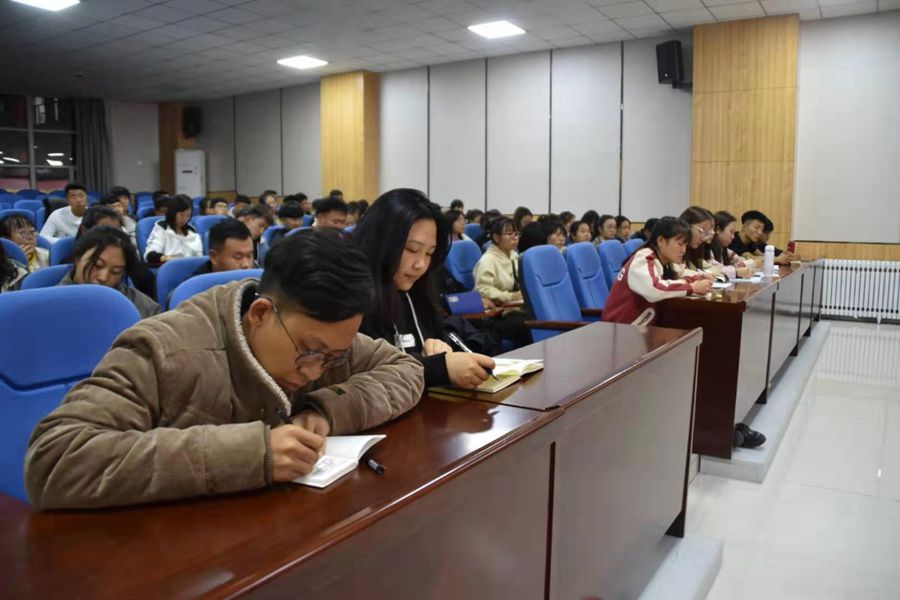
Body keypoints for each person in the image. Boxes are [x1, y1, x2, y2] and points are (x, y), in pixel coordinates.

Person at [25, 229, 425, 510]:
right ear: (261, 313)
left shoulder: (324, 337)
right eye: (308, 353)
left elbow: (405, 369)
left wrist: (327, 410)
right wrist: (251, 454)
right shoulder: (163, 349)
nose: (315, 372)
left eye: (333, 358)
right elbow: (55, 460)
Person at [355, 189, 495, 389]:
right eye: (412, 249)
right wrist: (438, 368)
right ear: (381, 242)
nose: (420, 264)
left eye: (429, 253)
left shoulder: (417, 290)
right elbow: (365, 375)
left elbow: (436, 338)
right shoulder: (353, 297)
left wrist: (441, 347)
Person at [602, 217, 712, 327]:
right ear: (661, 241)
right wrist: (691, 287)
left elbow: (680, 273)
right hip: (620, 328)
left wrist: (701, 277)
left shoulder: (664, 260)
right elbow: (654, 288)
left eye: (686, 245)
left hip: (640, 326)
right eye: (680, 244)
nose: (683, 250)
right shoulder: (644, 258)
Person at [57, 226, 160, 319]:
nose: (103, 277)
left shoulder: (143, 306)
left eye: (116, 272)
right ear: (78, 259)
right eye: (97, 265)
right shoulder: (53, 303)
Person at [473, 217, 532, 348]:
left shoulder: (514, 255)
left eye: (516, 233)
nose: (515, 237)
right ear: (496, 237)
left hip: (517, 307)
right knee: (527, 325)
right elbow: (483, 290)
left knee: (539, 317)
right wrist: (511, 296)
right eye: (509, 233)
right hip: (498, 314)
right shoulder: (488, 260)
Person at [144, 195, 202, 266]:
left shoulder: (191, 230)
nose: (185, 219)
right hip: (169, 266)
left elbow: (199, 256)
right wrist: (166, 258)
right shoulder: (162, 228)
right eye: (181, 215)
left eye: (188, 216)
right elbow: (150, 255)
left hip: (189, 266)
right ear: (173, 213)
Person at [709, 211, 755, 279]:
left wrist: (749, 263)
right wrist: (737, 271)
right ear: (718, 230)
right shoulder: (707, 249)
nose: (733, 237)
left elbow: (738, 260)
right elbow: (715, 269)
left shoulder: (725, 249)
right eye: (731, 232)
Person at [678, 206, 717, 275]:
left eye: (706, 233)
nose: (703, 238)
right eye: (702, 231)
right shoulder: (675, 250)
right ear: (688, 225)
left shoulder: (696, 249)